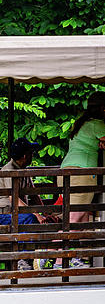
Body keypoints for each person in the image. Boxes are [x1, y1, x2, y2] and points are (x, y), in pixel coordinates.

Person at [56, 92, 105, 268]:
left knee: (83, 217)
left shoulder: (83, 123)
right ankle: (54, 255)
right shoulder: (98, 124)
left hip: (68, 172)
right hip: (81, 173)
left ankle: (76, 257)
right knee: (75, 217)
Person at [0, 137, 48, 271]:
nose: (32, 156)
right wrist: (37, 214)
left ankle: (34, 256)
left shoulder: (24, 170)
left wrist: (45, 213)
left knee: (38, 221)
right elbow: (14, 198)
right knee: (30, 219)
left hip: (18, 213)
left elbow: (34, 194)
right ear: (25, 156)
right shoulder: (9, 170)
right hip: (3, 214)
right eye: (31, 153)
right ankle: (23, 258)